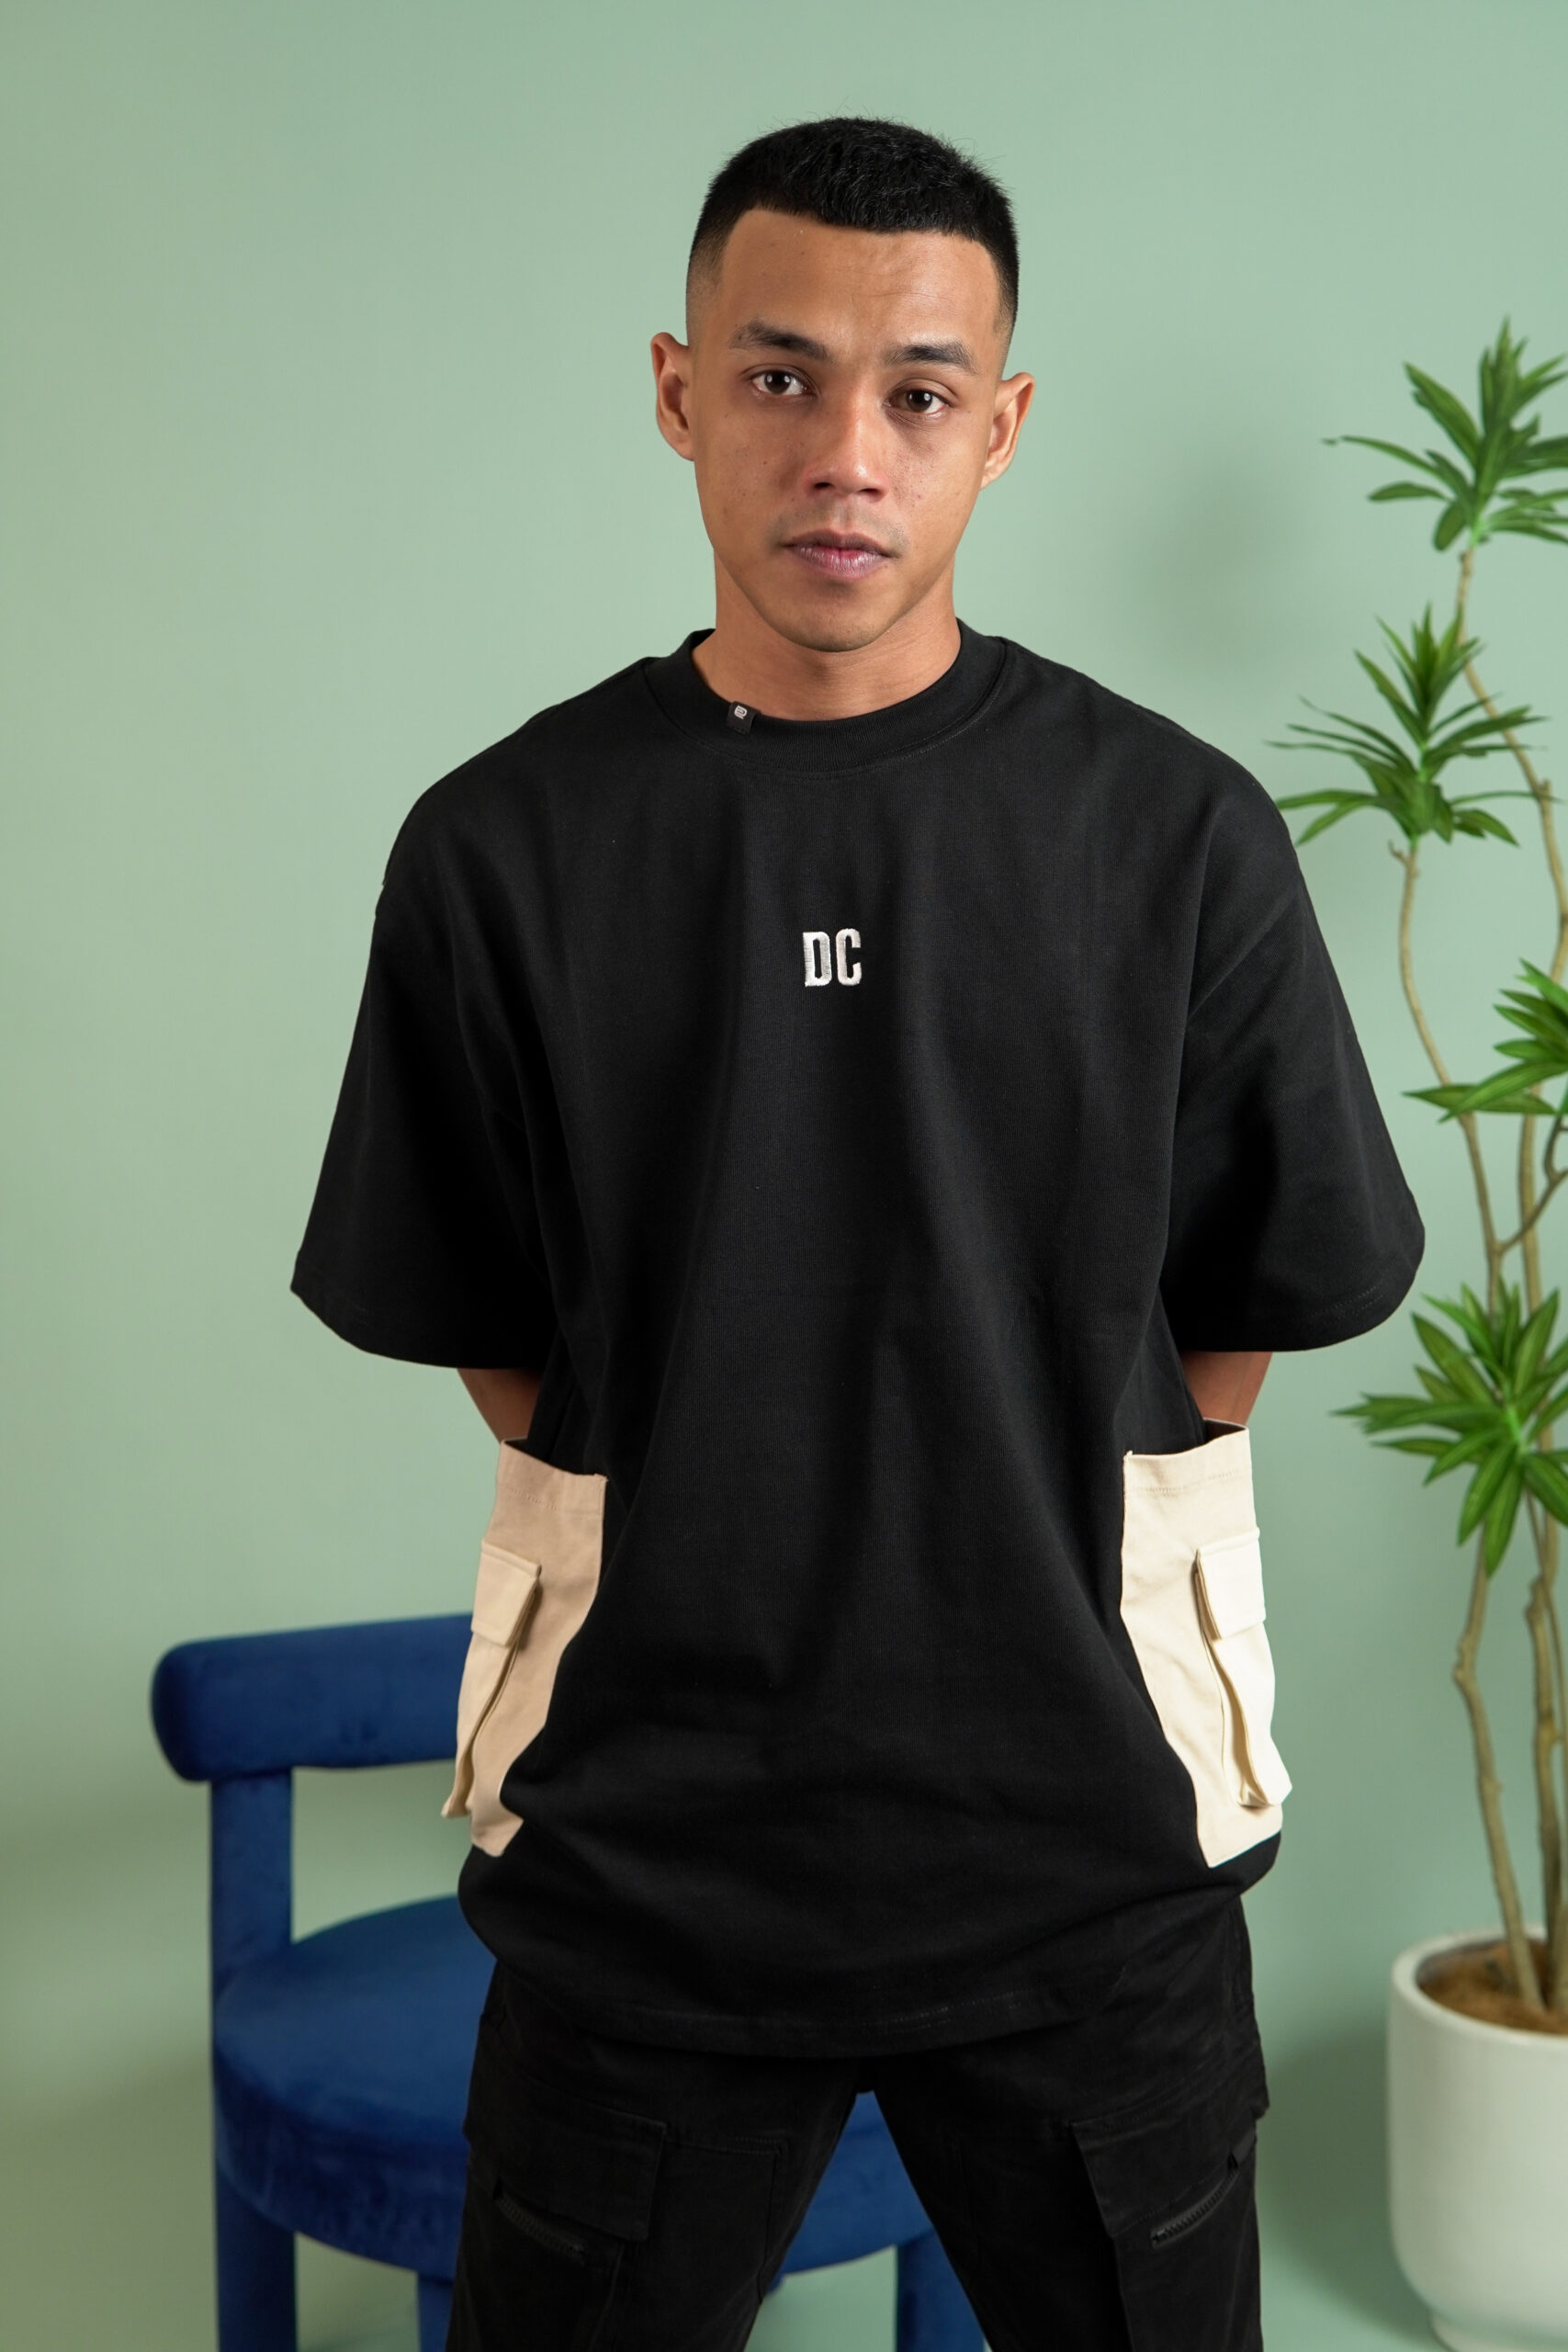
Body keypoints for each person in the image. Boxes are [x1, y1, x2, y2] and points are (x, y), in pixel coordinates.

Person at [293, 117, 1422, 2352]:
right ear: (677, 392)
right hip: (645, 1868)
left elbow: (1246, 1308)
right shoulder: (504, 846)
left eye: (916, 391)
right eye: (779, 375)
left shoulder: (1170, 833)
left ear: (999, 427)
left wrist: (1046, 1497)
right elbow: (492, 1324)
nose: (845, 452)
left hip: (1090, 1863)